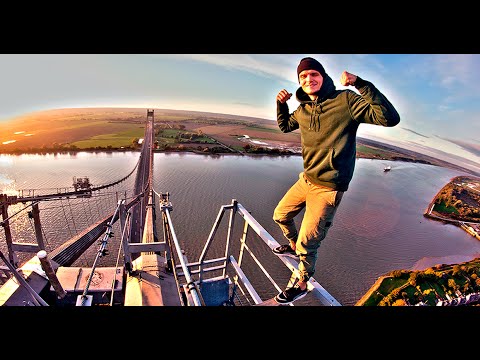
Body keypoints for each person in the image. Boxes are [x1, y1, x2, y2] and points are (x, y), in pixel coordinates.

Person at [272, 57, 400, 304]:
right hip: (306, 180)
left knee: (307, 243)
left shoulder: (346, 101)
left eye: (313, 74)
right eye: (303, 77)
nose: (308, 79)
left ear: (323, 76)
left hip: (328, 188)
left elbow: (389, 118)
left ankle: (301, 281)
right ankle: (291, 244)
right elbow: (285, 125)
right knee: (280, 215)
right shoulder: (303, 110)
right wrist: (280, 104)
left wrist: (360, 84)